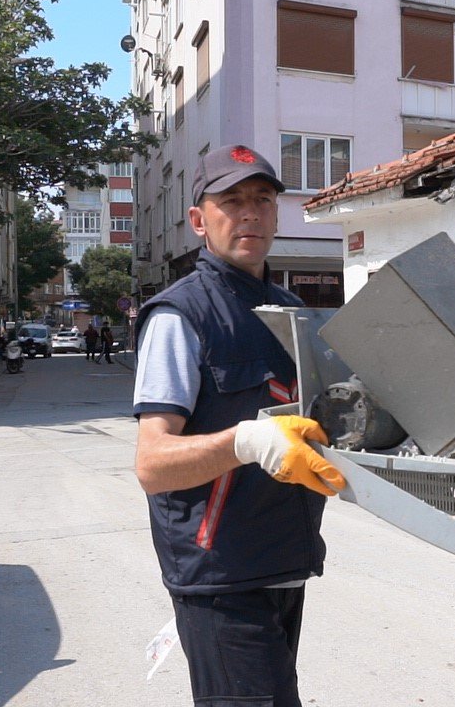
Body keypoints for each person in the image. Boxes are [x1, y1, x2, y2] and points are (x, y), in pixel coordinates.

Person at [132, 144, 346, 707]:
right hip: (219, 572)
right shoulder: (181, 316)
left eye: (263, 199)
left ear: (277, 214)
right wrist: (248, 440)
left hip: (284, 558)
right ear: (200, 221)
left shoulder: (289, 309)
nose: (249, 213)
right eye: (231, 201)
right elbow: (153, 464)